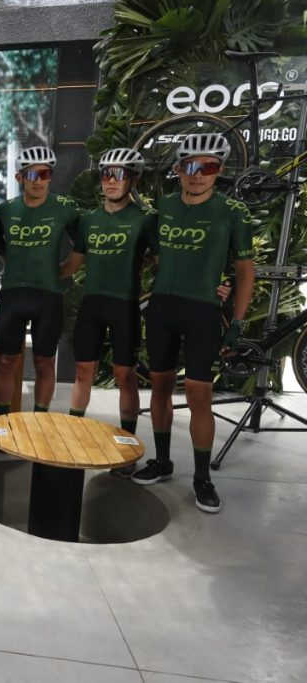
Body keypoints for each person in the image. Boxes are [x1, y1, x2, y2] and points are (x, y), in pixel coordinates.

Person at [131, 134, 255, 513]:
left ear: (220, 171)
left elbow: (245, 270)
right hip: (163, 308)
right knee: (160, 387)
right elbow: (153, 254)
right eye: (190, 166)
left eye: (208, 167)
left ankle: (202, 478)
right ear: (178, 169)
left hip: (202, 312)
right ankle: (162, 461)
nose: (198, 174)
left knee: (200, 395)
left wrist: (236, 320)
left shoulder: (232, 212)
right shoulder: (163, 208)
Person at [59, 148, 155, 476]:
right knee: (83, 373)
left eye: (119, 174)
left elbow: (165, 261)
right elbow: (72, 265)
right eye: (106, 174)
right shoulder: (89, 220)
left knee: (125, 376)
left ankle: (128, 448)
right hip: (92, 305)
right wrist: (31, 274)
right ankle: (73, 436)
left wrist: (216, 284)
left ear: (133, 179)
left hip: (124, 305)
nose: (111, 181)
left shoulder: (144, 220)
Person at [0, 146, 79, 414]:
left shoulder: (64, 208)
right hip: (13, 294)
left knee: (44, 363)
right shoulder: (5, 210)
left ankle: (40, 421)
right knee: (6, 362)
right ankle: (4, 423)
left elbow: (83, 245)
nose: (38, 180)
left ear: (50, 177)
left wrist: (63, 270)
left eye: (44, 174)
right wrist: (16, 262)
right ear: (19, 178)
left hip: (48, 295)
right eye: (31, 174)